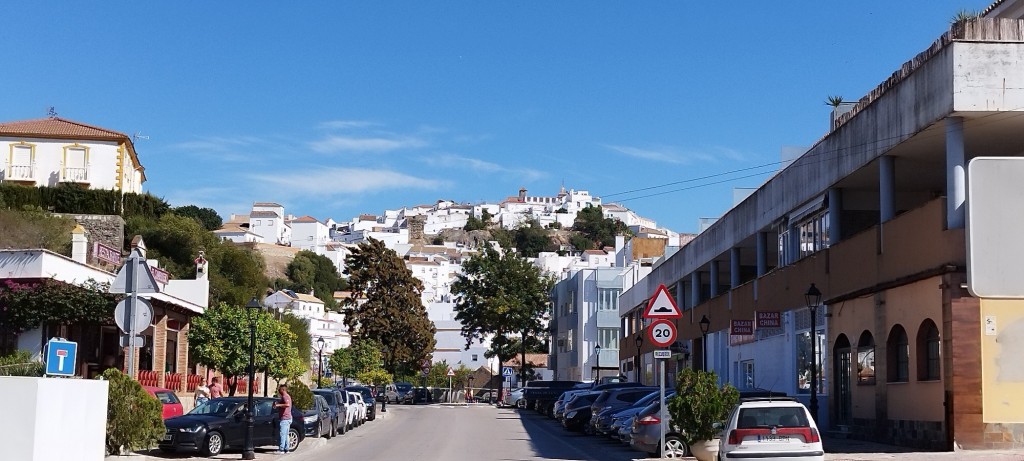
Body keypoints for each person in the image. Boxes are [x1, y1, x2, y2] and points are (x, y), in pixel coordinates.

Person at [273, 384, 293, 454]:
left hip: (285, 418)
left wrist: (278, 405)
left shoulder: (285, 396)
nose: (279, 391)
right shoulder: (285, 397)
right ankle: (286, 449)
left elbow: (287, 405)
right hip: (288, 418)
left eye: (280, 389)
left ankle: (281, 449)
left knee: (283, 434)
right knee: (286, 434)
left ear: (283, 390)